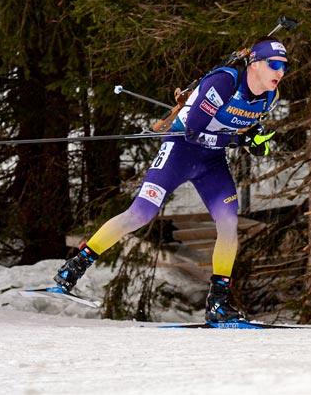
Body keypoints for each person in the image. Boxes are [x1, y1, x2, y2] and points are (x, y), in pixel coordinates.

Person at [52, 36, 289, 322]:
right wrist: (240, 141)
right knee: (140, 213)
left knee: (228, 223)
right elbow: (193, 132)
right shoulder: (224, 82)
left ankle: (218, 303)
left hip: (211, 162)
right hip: (180, 150)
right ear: (254, 64)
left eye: (284, 66)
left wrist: (255, 140)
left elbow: (247, 128)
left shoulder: (270, 97)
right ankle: (75, 266)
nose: (280, 72)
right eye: (274, 64)